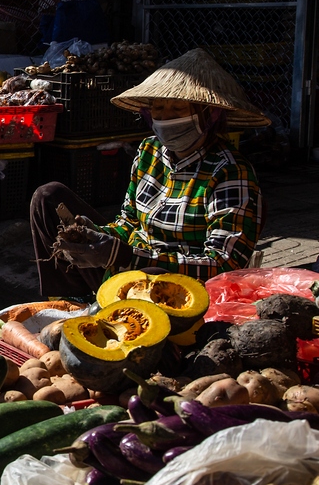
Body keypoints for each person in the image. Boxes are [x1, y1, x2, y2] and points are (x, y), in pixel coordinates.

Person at [31, 48, 268, 298]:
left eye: (177, 108)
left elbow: (224, 264)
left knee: (153, 274)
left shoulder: (230, 172)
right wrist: (99, 236)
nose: (165, 117)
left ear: (209, 114)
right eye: (158, 108)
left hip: (183, 289)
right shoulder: (149, 151)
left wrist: (128, 257)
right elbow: (130, 222)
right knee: (48, 197)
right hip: (128, 267)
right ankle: (74, 303)